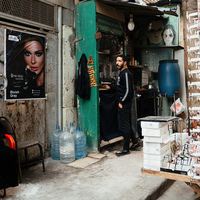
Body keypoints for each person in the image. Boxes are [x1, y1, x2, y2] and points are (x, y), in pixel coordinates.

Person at [103, 55, 140, 156]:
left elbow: (128, 91)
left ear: (125, 62)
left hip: (124, 104)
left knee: (125, 126)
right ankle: (135, 143)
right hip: (123, 103)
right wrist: (109, 88)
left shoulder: (126, 74)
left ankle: (125, 148)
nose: (117, 63)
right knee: (127, 123)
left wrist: (121, 102)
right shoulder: (121, 73)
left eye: (119, 61)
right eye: (116, 61)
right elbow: (120, 88)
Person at [6, 31, 45, 99]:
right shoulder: (18, 83)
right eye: (28, 54)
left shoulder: (51, 85)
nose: (33, 61)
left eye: (38, 54)